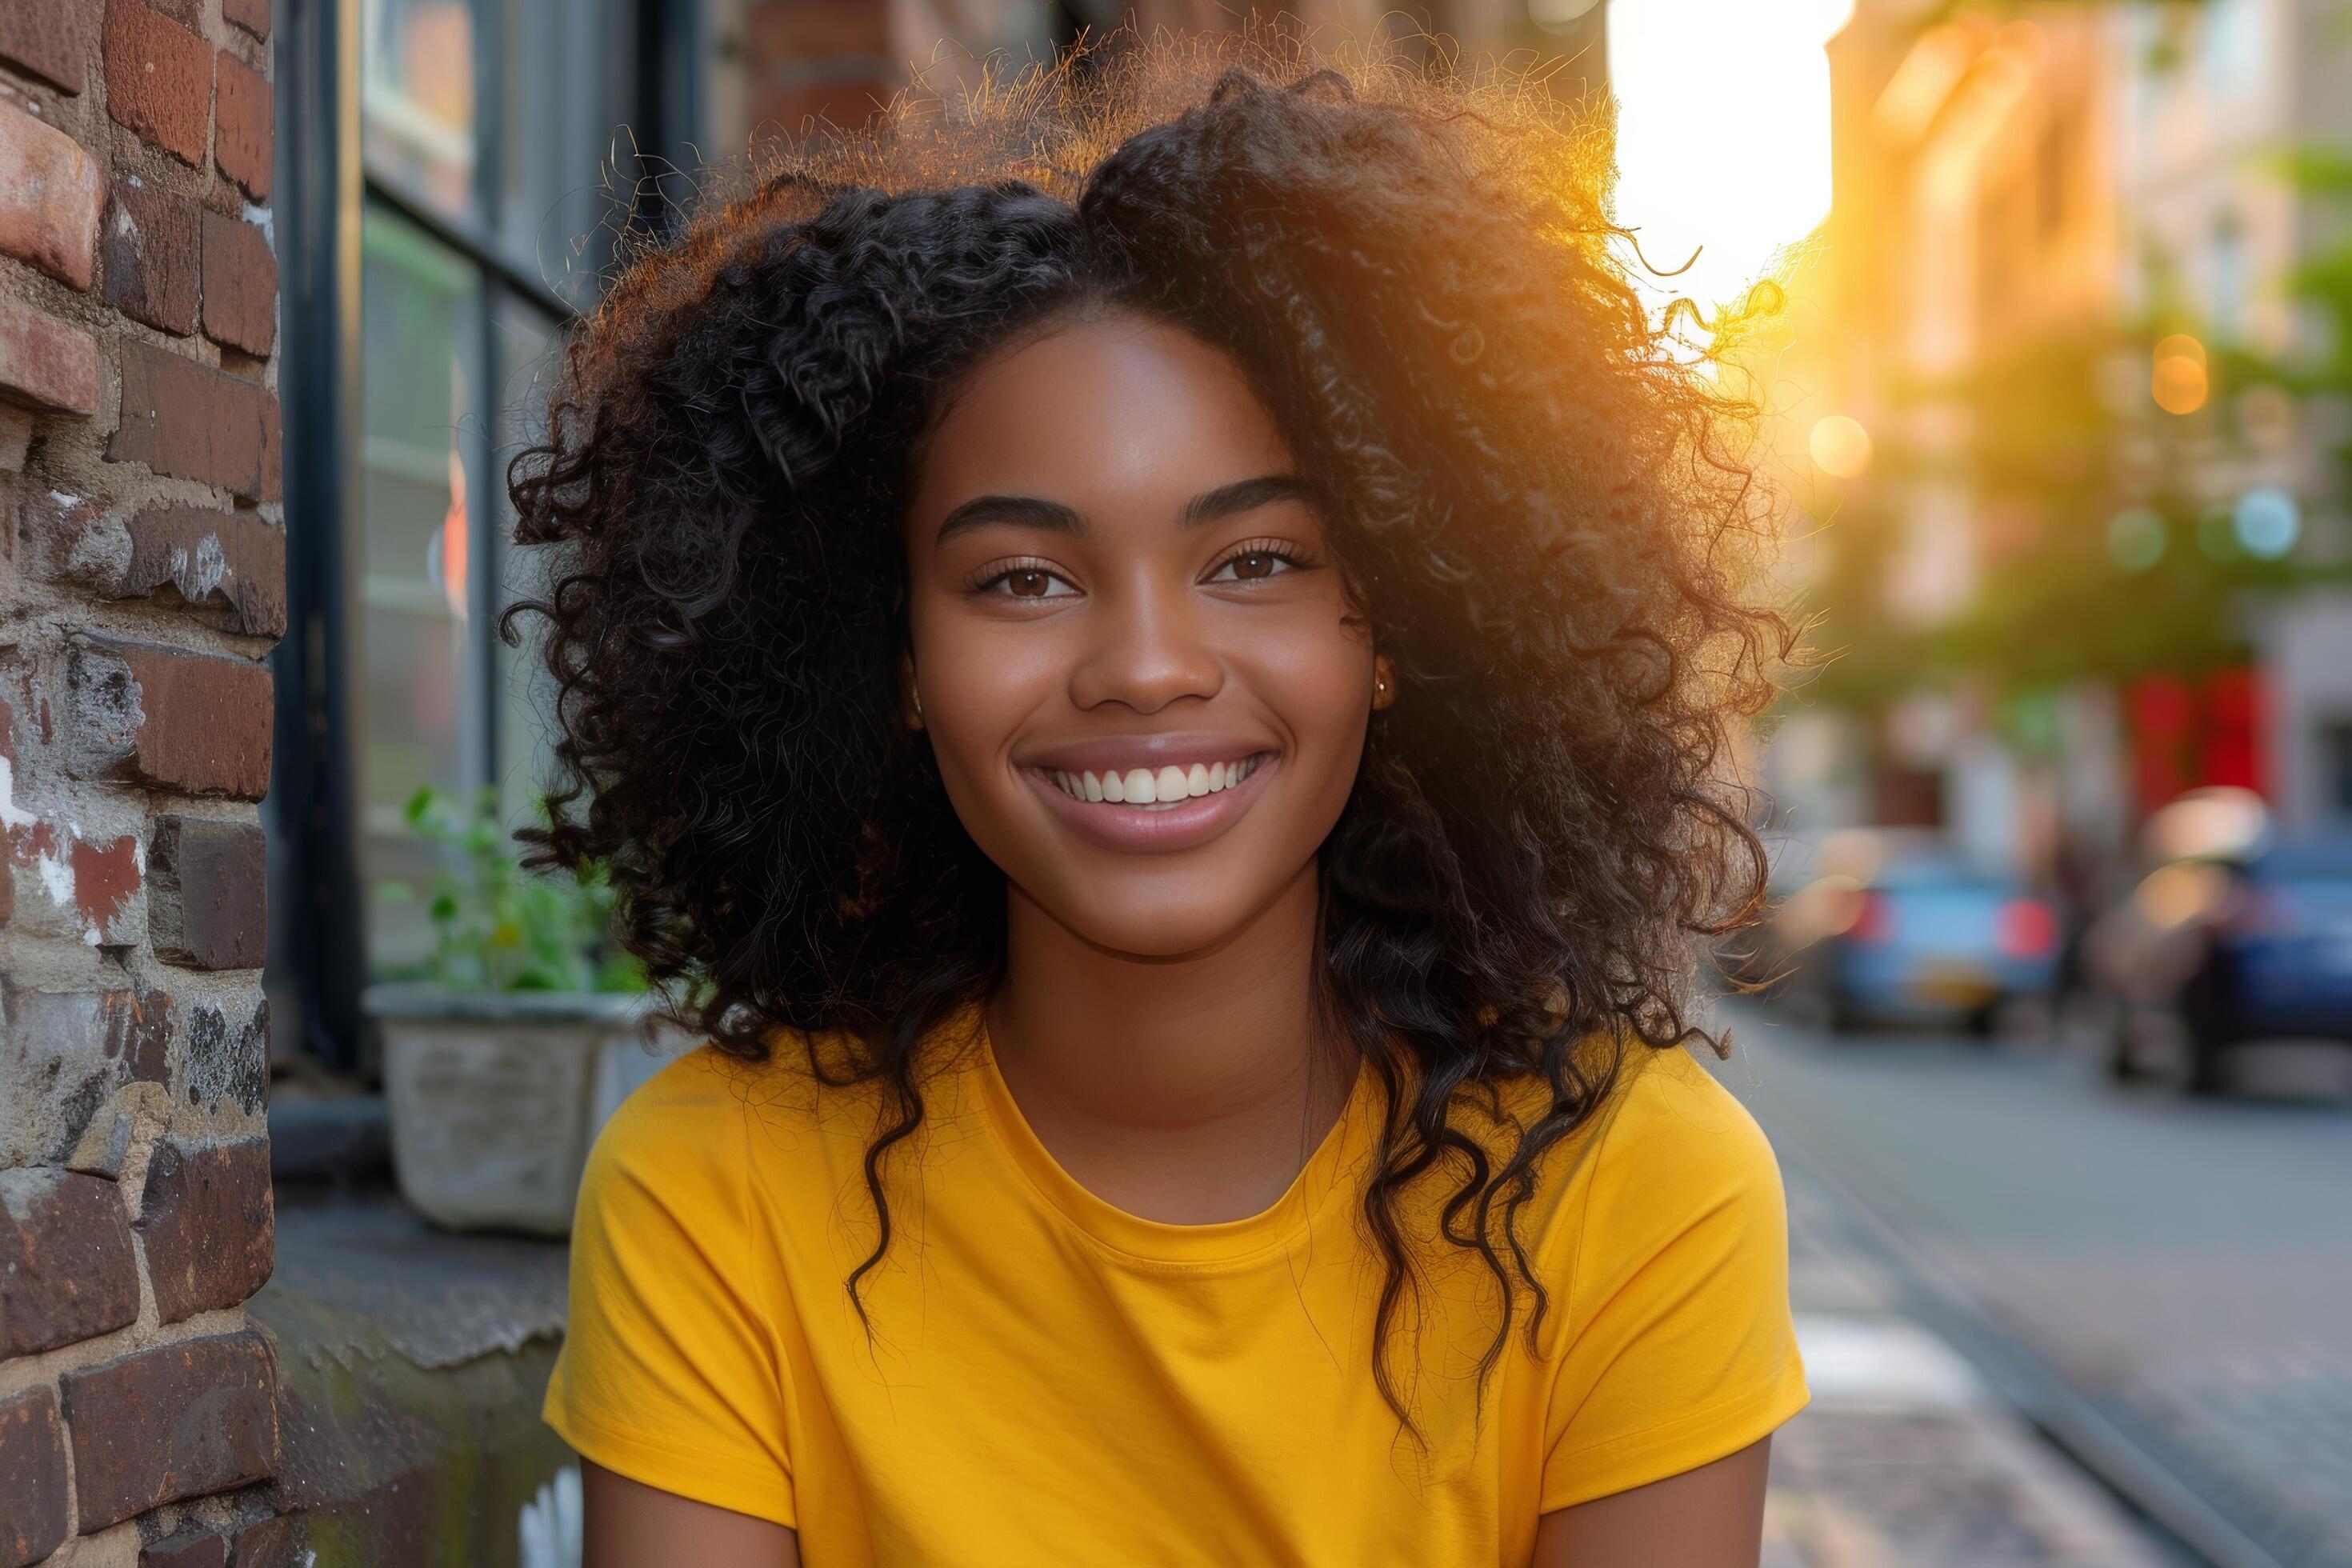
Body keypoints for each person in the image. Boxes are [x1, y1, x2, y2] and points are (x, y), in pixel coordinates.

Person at [516, 30, 1806, 1567]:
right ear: (900, 658)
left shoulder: (1631, 1192)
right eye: (1024, 578)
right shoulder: (716, 1189)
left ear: (1399, 629)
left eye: (1254, 561)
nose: (1145, 667)